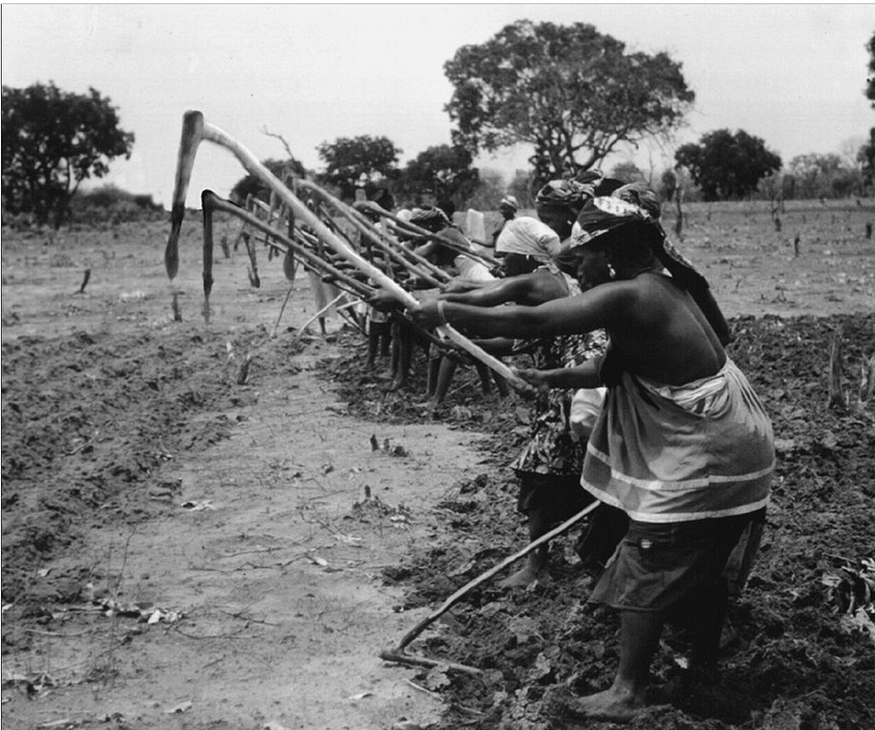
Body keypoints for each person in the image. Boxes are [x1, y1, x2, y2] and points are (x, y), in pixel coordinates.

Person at [410, 184, 774, 721]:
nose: (579, 271)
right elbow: (620, 365)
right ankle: (700, 674)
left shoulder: (633, 294)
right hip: (737, 449)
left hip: (707, 455)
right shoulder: (668, 287)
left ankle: (628, 692)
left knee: (649, 555)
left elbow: (536, 319)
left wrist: (440, 308)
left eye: (585, 258)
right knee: (699, 568)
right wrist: (552, 375)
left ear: (614, 250)